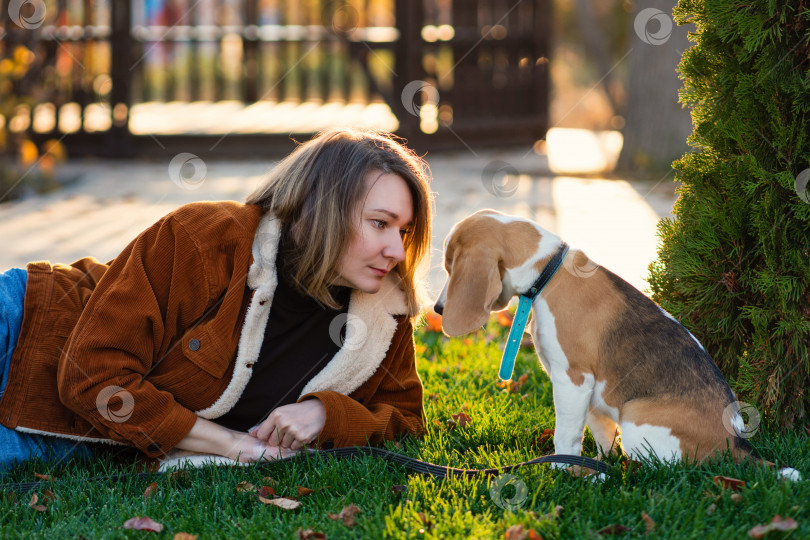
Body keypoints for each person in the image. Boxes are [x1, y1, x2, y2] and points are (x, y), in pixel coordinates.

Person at [0, 128, 433, 472]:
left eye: (404, 231)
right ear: (319, 209)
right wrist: (232, 445)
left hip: (67, 439)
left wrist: (325, 415)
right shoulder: (205, 238)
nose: (396, 250)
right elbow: (92, 374)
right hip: (24, 328)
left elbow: (406, 419)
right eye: (380, 223)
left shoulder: (382, 311)